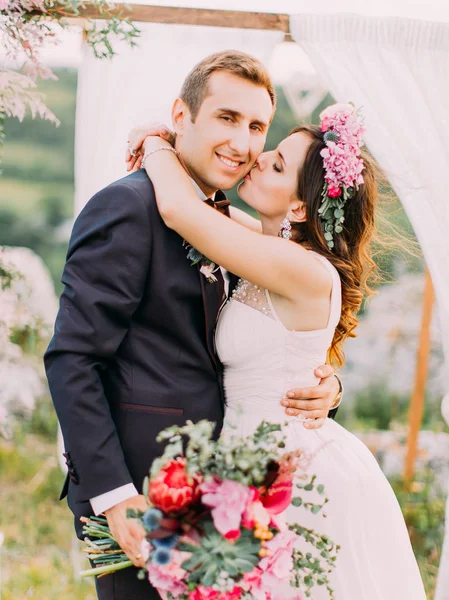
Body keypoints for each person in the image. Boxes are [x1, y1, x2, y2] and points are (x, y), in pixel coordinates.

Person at [44, 51, 341, 600]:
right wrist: (114, 496)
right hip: (139, 493)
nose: (243, 143)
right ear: (181, 115)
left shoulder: (227, 224)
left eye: (256, 127)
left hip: (227, 495)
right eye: (226, 118)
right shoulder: (127, 207)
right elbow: (72, 358)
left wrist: (323, 386)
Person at [128, 101, 427, 599]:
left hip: (292, 474)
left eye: (279, 164)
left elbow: (180, 210)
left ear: (300, 208)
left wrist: (156, 142)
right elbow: (204, 212)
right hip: (248, 464)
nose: (260, 157)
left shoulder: (304, 270)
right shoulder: (269, 248)